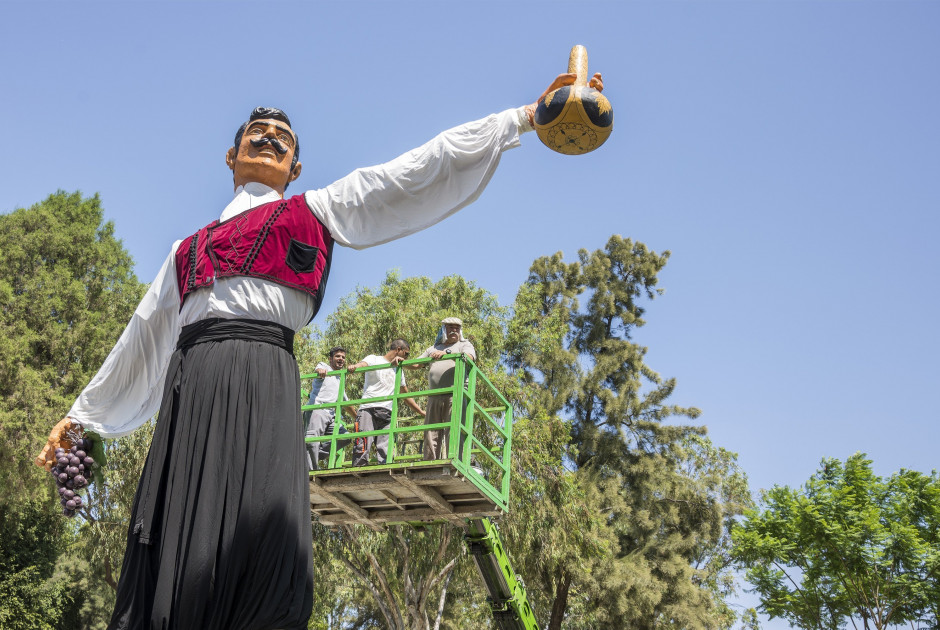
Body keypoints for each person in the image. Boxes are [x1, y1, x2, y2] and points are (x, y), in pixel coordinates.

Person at [33, 70, 605, 630]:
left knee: (264, 541)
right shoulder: (186, 250)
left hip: (265, 376)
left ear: (296, 167)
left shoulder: (319, 210)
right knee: (180, 544)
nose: (268, 138)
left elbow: (415, 170)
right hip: (194, 383)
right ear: (230, 158)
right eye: (255, 132)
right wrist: (82, 415)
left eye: (282, 139)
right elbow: (143, 338)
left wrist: (524, 118)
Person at [346, 339, 425, 466]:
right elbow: (363, 364)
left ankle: (385, 470)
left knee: (386, 448)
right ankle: (358, 470)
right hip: (368, 408)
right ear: (399, 350)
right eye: (406, 354)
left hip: (387, 411)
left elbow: (405, 394)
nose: (407, 357)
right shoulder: (375, 359)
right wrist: (354, 367)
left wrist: (420, 411)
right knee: (363, 443)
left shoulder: (399, 370)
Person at [415, 318, 477, 460]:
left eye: (457, 328)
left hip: (454, 393)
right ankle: (429, 461)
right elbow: (416, 364)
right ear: (444, 329)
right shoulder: (434, 348)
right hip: (434, 394)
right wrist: (401, 361)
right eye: (450, 327)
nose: (454, 330)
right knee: (431, 430)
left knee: (453, 429)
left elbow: (469, 358)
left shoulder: (464, 345)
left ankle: (455, 459)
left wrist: (447, 354)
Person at [304, 346, 356, 469]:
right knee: (312, 440)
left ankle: (313, 456)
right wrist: (320, 371)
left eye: (343, 357)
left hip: (331, 415)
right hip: (318, 409)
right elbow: (318, 369)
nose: (341, 359)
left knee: (345, 437)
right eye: (338, 356)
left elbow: (346, 403)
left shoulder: (340, 378)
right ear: (331, 359)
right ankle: (310, 471)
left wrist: (357, 417)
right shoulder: (325, 367)